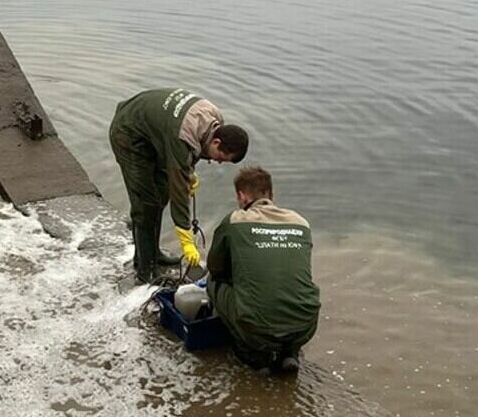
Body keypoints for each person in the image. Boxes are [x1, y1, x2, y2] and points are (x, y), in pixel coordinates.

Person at [109, 88, 248, 283]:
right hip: (129, 134)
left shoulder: (214, 119)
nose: (217, 162)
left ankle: (153, 254)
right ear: (217, 142)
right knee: (146, 203)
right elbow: (179, 195)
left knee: (161, 195)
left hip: (156, 133)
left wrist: (188, 174)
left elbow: (187, 155)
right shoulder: (185, 136)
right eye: (221, 158)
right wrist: (186, 240)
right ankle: (144, 270)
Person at [206, 166, 320, 374]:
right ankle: (290, 352)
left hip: (256, 325)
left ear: (241, 196)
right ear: (271, 195)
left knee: (212, 283)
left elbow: (215, 268)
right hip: (306, 324)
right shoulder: (300, 222)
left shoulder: (235, 220)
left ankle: (254, 356)